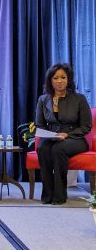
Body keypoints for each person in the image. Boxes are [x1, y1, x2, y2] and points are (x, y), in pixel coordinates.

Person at [35, 63, 92, 205]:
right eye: (55, 78)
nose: (59, 81)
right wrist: (50, 135)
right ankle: (47, 194)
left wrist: (67, 135)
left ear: (68, 80)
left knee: (58, 149)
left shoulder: (79, 99)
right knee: (42, 148)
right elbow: (40, 124)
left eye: (63, 77)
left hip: (75, 137)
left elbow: (86, 126)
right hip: (52, 136)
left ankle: (60, 195)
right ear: (50, 80)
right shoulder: (43, 100)